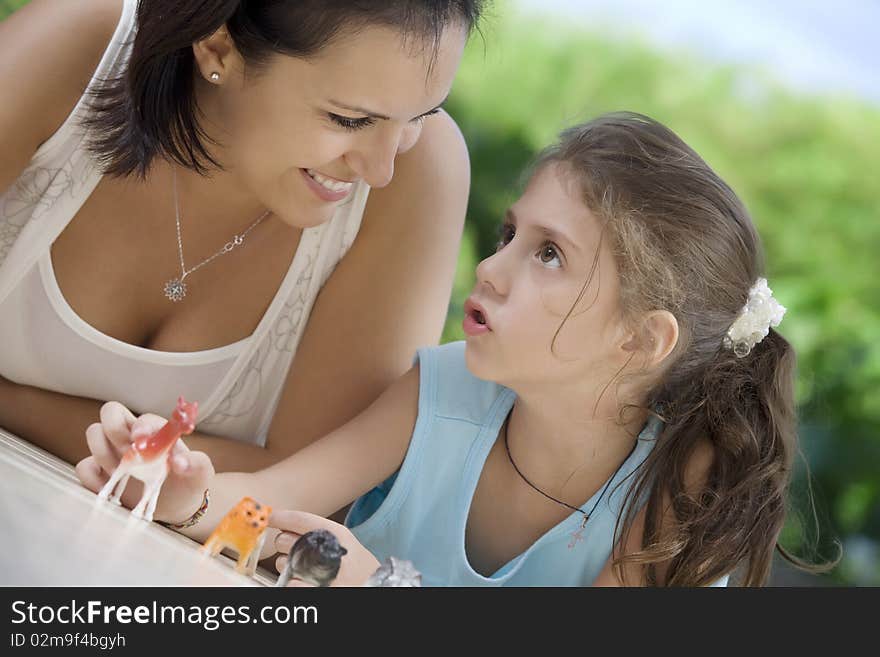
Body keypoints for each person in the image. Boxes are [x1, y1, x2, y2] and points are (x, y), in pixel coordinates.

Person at [78, 112, 831, 586]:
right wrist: (182, 497)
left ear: (639, 339)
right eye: (511, 235)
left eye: (548, 255)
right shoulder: (440, 389)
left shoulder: (672, 487)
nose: (491, 268)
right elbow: (270, 504)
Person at [0, 0, 482, 473]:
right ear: (216, 48)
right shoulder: (80, 47)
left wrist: (13, 405)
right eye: (349, 120)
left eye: (420, 116)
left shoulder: (420, 174)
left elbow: (312, 482)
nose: (381, 170)